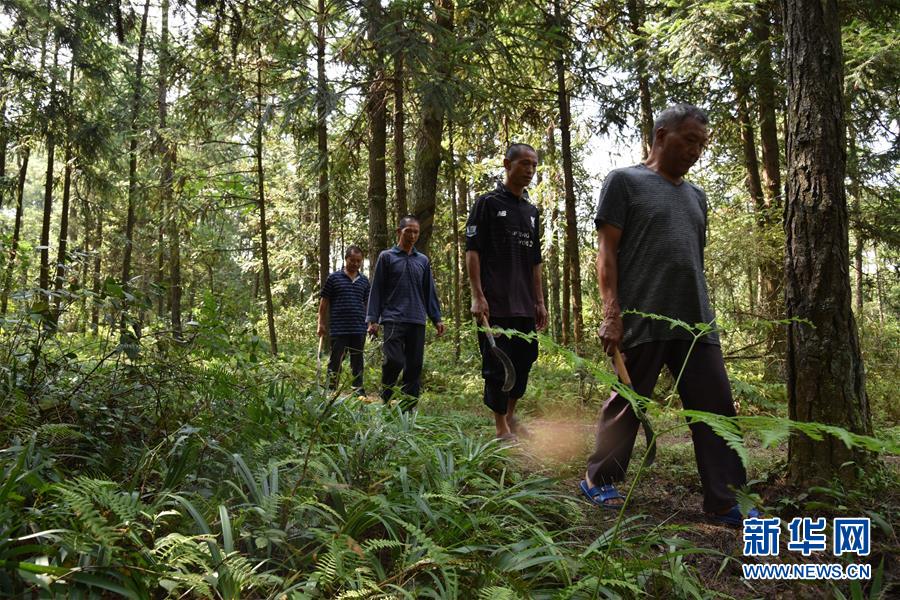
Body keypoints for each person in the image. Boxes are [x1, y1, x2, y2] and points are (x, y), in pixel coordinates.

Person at [579, 104, 758, 527]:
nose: (697, 151)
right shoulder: (625, 182)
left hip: (696, 322)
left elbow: (690, 258)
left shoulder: (697, 195)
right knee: (627, 402)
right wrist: (611, 312)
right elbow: (606, 254)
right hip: (642, 315)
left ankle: (724, 500)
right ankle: (598, 479)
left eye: (702, 144)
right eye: (690, 140)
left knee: (715, 410)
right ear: (661, 135)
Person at [465, 143, 548, 441]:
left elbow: (535, 261)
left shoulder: (531, 211)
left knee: (525, 362)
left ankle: (511, 418)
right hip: (495, 304)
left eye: (534, 165)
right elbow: (472, 251)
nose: (529, 170)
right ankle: (500, 429)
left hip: (525, 305)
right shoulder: (486, 203)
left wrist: (539, 302)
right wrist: (477, 295)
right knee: (499, 366)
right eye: (524, 163)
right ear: (507, 164)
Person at [366, 216, 446, 406]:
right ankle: (386, 397)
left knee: (414, 366)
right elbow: (377, 288)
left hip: (417, 319)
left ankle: (408, 408)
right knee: (393, 360)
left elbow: (429, 291)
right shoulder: (387, 257)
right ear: (399, 232)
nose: (412, 235)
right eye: (408, 231)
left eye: (416, 231)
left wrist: (436, 318)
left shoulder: (423, 261)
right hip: (393, 318)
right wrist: (372, 318)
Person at [317, 245, 370, 396]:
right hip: (339, 328)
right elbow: (324, 303)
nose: (355, 263)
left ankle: (358, 391)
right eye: (352, 260)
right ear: (346, 259)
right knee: (335, 360)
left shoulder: (364, 281)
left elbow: (367, 304)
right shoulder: (334, 278)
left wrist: (371, 322)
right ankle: (330, 389)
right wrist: (321, 323)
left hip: (359, 328)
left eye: (358, 261)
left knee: (357, 361)